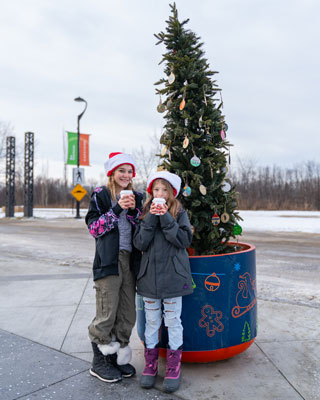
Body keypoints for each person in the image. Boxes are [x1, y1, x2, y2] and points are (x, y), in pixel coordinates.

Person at [133, 170, 193, 393]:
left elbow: (184, 240)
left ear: (172, 193)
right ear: (151, 192)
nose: (160, 193)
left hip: (173, 278)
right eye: (156, 189)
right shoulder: (144, 212)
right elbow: (139, 243)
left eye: (165, 190)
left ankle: (173, 367)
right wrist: (150, 217)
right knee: (151, 322)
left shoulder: (179, 212)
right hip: (149, 278)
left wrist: (166, 216)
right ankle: (150, 366)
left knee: (173, 321)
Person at [85, 152, 143, 383]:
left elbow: (142, 226)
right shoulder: (101, 195)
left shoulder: (138, 196)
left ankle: (117, 358)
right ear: (112, 172)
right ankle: (100, 361)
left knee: (127, 312)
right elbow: (94, 229)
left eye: (130, 171)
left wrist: (134, 212)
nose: (126, 175)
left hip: (130, 259)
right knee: (107, 310)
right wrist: (118, 208)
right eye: (121, 171)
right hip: (109, 260)